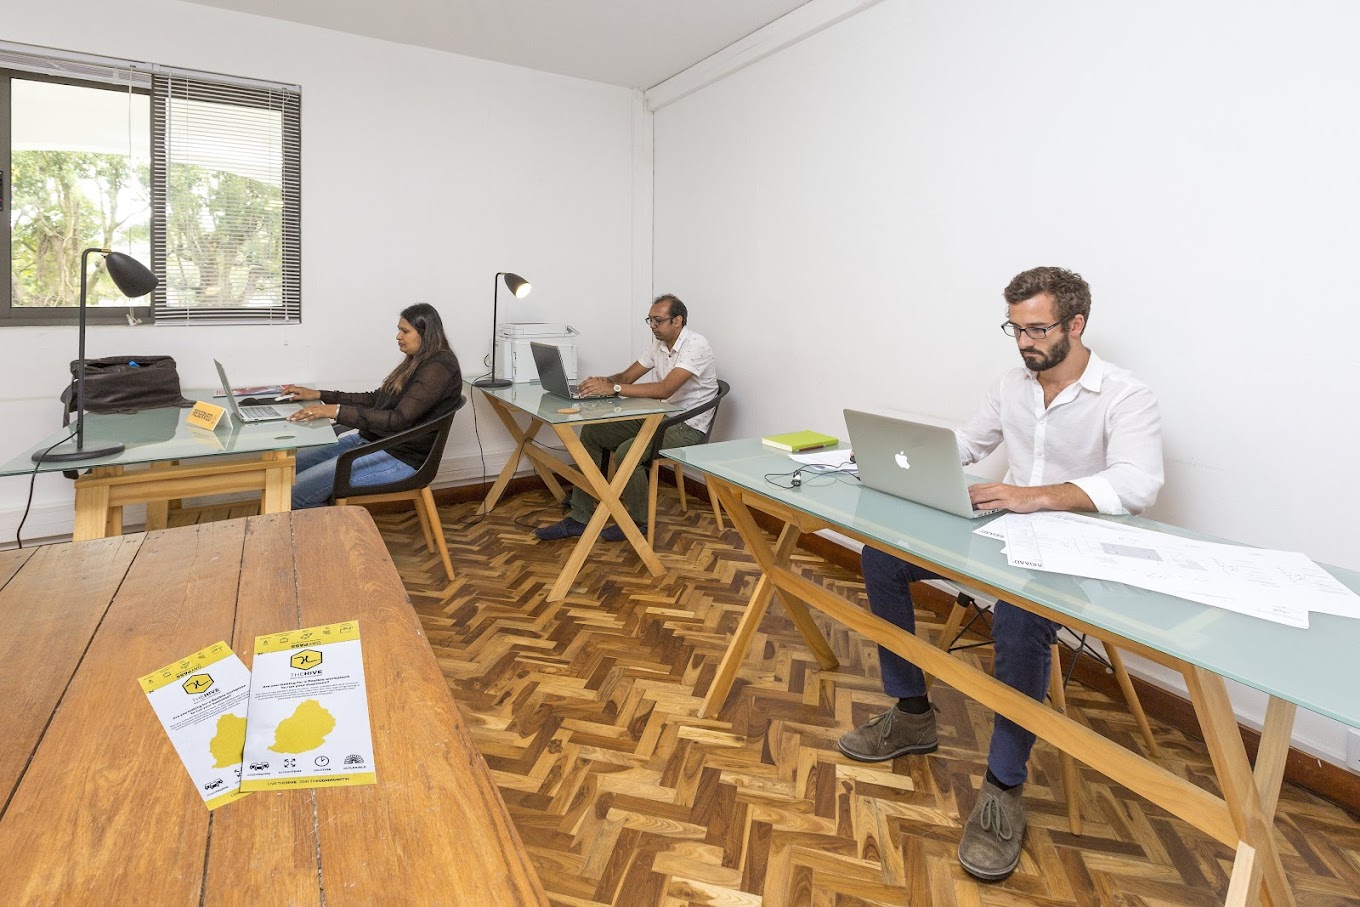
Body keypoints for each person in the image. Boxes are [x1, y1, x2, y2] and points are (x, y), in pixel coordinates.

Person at [837, 267, 1163, 882]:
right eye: (1014, 329)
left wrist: (1033, 496)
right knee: (881, 554)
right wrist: (892, 455)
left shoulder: (1125, 394)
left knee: (1017, 614)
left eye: (1036, 330)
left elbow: (1138, 483)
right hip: (1006, 532)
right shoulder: (1012, 385)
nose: (1023, 343)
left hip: (1078, 552)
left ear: (1076, 324)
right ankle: (910, 713)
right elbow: (967, 441)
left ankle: (1003, 788)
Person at [535, 294, 719, 542]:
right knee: (593, 432)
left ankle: (638, 524)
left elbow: (665, 390)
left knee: (626, 452)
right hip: (661, 416)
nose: (652, 326)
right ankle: (580, 516)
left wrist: (614, 389)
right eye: (650, 320)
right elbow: (627, 377)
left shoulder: (696, 346)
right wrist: (601, 383)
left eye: (658, 320)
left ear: (678, 321)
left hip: (687, 426)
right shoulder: (659, 345)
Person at [283, 303, 462, 509]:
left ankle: (334, 539)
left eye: (404, 331)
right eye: (399, 330)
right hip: (372, 442)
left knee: (295, 495)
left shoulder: (439, 367)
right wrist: (321, 395)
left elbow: (398, 420)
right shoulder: (417, 361)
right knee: (289, 468)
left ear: (425, 333)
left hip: (400, 458)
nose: (398, 336)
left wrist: (336, 412)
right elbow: (375, 399)